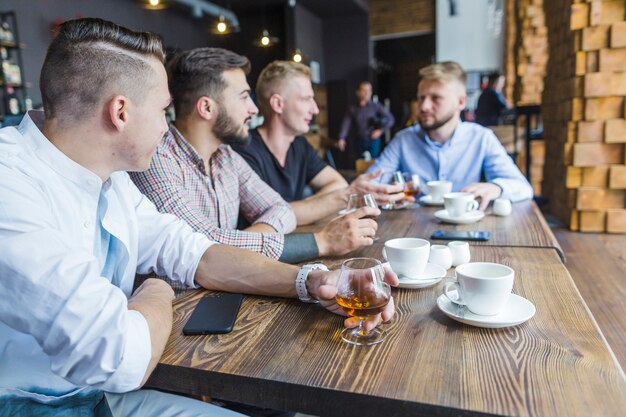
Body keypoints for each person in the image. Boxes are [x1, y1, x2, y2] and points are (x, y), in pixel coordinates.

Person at [0, 18, 397, 416]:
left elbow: (201, 253)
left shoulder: (111, 178)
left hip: (99, 396)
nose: (167, 127)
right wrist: (156, 289)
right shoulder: (10, 184)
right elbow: (119, 358)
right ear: (120, 112)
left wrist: (312, 281)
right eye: (163, 110)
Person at [131, 47, 377, 263]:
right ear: (206, 107)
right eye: (243, 97)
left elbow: (281, 209)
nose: (253, 108)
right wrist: (321, 242)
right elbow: (203, 248)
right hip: (177, 308)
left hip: (231, 291)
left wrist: (235, 245)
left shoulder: (226, 156)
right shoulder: (156, 159)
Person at [234, 61, 404, 225]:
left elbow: (338, 184)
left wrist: (304, 208)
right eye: (306, 99)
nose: (315, 109)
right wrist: (333, 200)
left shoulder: (299, 144)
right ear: (278, 104)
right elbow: (271, 218)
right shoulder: (243, 151)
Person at [367, 62, 532, 210]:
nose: (423, 107)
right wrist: (389, 192)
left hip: (465, 233)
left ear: (461, 102)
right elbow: (369, 186)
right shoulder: (404, 139)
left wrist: (497, 187)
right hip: (412, 236)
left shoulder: (481, 138)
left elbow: (523, 188)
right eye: (421, 98)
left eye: (435, 98)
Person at [337, 81, 395, 159]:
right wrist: (342, 138)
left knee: (375, 163)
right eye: (364, 90)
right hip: (359, 140)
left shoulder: (376, 106)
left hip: (373, 140)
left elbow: (390, 119)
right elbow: (346, 124)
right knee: (359, 163)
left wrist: (380, 131)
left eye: (369, 90)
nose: (367, 93)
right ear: (358, 92)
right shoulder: (353, 109)